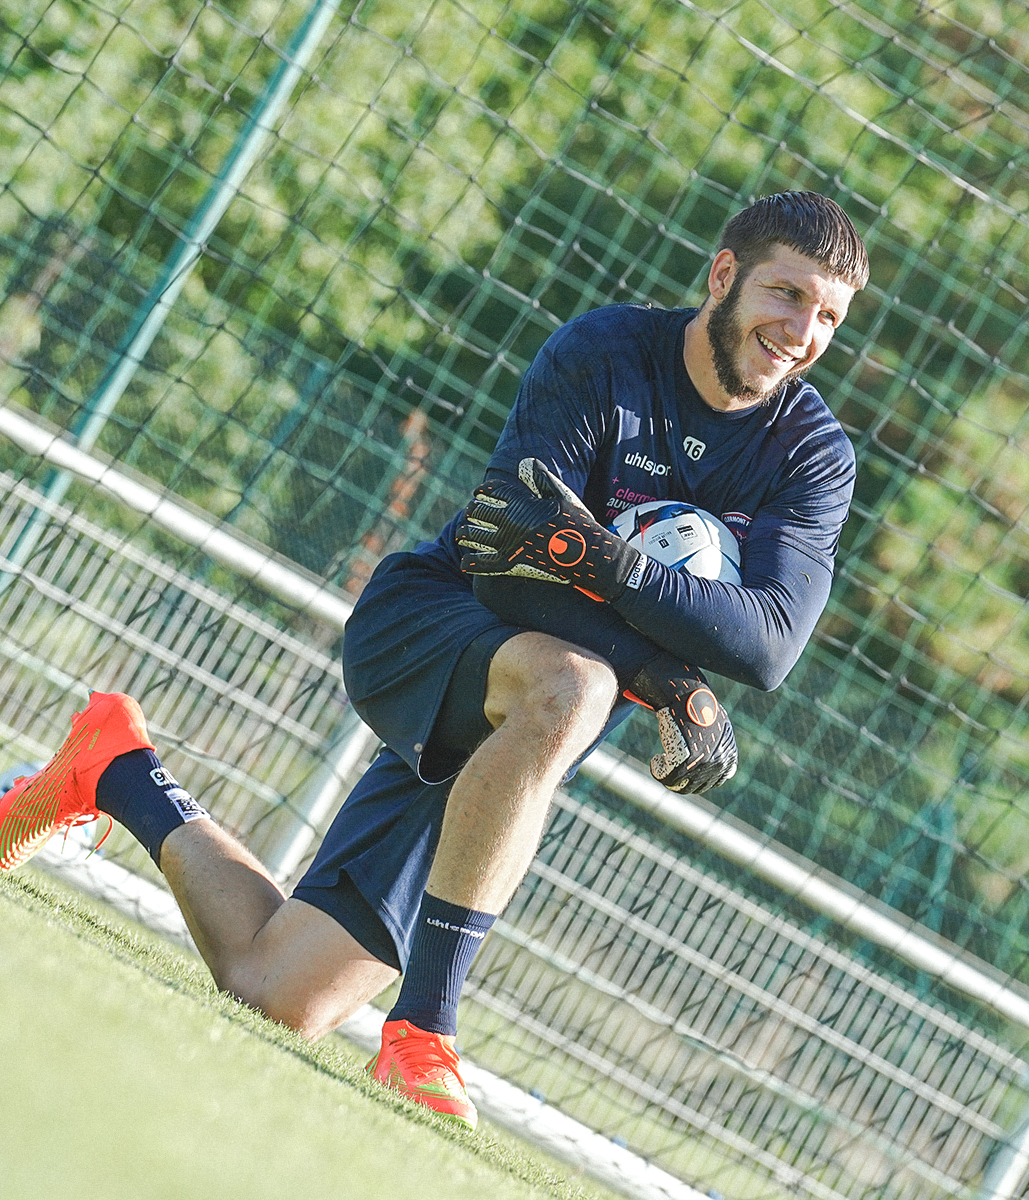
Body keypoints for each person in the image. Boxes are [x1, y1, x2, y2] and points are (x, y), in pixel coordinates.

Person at [0, 191, 868, 1131]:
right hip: (439, 621)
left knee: (275, 991)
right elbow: (506, 546)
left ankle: (111, 768)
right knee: (575, 685)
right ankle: (424, 1031)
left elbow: (766, 645)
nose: (802, 332)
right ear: (724, 274)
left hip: (522, 727)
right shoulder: (606, 352)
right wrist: (658, 667)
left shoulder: (812, 455)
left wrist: (606, 564)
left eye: (828, 316)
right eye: (787, 295)